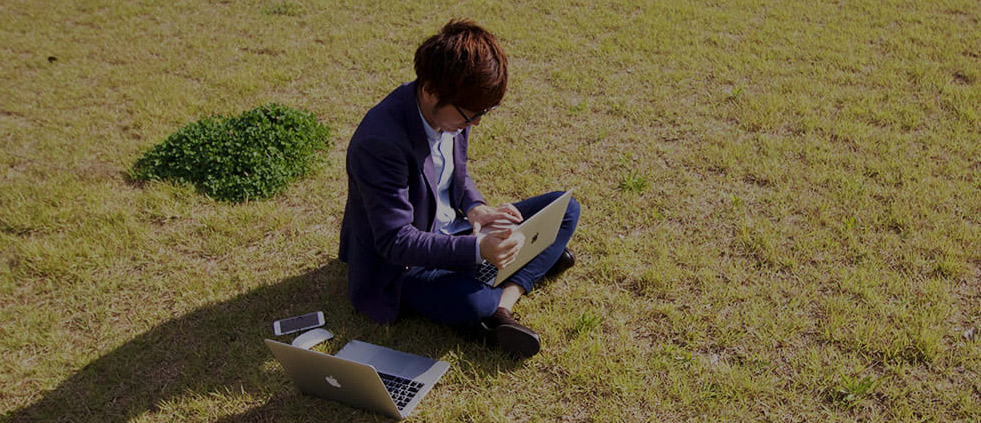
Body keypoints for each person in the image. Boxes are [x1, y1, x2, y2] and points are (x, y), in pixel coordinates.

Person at [338, 19, 579, 358]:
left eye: (484, 112)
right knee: (475, 301)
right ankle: (519, 274)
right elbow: (396, 241)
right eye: (471, 114)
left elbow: (455, 175)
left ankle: (503, 305)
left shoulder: (453, 109)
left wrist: (476, 207)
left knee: (565, 209)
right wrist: (478, 249)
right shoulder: (379, 143)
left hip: (458, 230)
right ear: (430, 91)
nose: (476, 122)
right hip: (406, 266)